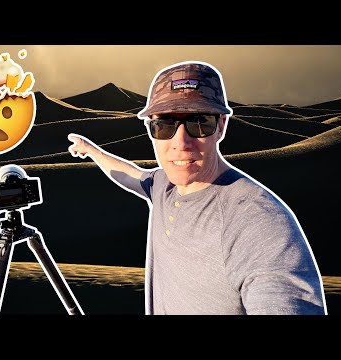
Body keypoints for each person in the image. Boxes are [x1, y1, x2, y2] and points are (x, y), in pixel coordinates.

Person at [68, 61, 327, 315]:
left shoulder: (257, 221)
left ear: (222, 126)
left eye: (199, 123)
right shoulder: (163, 186)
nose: (181, 142)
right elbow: (132, 175)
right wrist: (91, 150)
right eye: (164, 125)